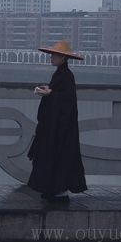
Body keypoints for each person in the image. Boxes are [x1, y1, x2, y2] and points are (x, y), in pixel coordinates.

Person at [27, 41, 87, 203]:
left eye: (54, 55)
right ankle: (50, 189)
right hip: (54, 125)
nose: (51, 58)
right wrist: (49, 91)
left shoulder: (67, 75)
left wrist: (50, 94)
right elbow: (58, 93)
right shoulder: (60, 74)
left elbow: (67, 100)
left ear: (63, 58)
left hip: (62, 127)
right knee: (49, 156)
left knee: (59, 157)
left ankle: (59, 191)